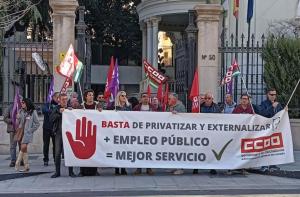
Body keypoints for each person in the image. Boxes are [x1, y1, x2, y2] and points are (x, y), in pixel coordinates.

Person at [50, 93, 75, 178]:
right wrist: (59, 113)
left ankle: (71, 172)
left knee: (69, 153)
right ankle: (57, 172)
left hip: (69, 134)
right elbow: (51, 119)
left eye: (66, 99)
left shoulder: (70, 109)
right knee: (57, 153)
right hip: (59, 134)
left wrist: (71, 112)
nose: (65, 101)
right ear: (59, 100)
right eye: (63, 99)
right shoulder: (56, 109)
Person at [258, 88, 283, 172]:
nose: (273, 96)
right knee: (264, 147)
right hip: (266, 129)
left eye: (274, 94)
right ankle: (264, 165)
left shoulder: (278, 104)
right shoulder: (264, 103)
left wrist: (284, 111)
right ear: (267, 95)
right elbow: (262, 113)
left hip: (275, 129)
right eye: (271, 94)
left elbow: (281, 114)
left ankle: (273, 164)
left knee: (274, 147)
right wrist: (271, 107)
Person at [78, 89, 101, 176]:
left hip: (95, 131)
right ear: (86, 97)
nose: (91, 96)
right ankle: (82, 170)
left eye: (92, 95)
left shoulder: (97, 105)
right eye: (89, 95)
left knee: (95, 151)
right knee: (83, 152)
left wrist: (100, 111)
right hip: (84, 131)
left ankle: (95, 170)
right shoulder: (81, 106)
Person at [230, 93, 254, 175]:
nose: (244, 100)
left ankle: (243, 168)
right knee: (236, 151)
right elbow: (232, 120)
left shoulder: (251, 109)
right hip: (238, 134)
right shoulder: (237, 109)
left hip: (247, 135)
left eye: (246, 99)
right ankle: (234, 167)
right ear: (240, 100)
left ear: (248, 100)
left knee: (244, 152)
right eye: (243, 98)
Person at [133, 93, 156, 175]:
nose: (146, 98)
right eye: (144, 97)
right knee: (139, 150)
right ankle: (138, 168)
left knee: (148, 150)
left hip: (149, 132)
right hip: (139, 132)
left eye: (147, 97)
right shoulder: (136, 108)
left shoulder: (153, 107)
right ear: (141, 99)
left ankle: (148, 168)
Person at [15, 98, 40, 172]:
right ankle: (27, 166)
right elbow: (18, 123)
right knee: (24, 149)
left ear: (27, 103)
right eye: (21, 102)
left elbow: (37, 123)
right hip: (21, 131)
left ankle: (17, 163)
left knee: (23, 147)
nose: (22, 104)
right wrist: (17, 118)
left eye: (23, 102)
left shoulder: (33, 112)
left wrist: (30, 130)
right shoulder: (21, 111)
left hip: (27, 133)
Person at [200, 92, 221, 175]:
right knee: (201, 150)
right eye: (206, 98)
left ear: (212, 99)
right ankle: (197, 167)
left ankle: (212, 167)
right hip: (202, 132)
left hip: (212, 133)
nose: (207, 100)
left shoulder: (217, 108)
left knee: (212, 150)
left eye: (209, 98)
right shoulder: (199, 107)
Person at [112, 90, 132, 175]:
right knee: (117, 150)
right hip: (117, 131)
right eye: (122, 96)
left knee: (124, 150)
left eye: (125, 96)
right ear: (118, 97)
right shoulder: (115, 106)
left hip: (125, 131)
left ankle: (123, 168)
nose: (124, 97)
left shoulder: (129, 106)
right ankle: (117, 169)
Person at [166, 93, 186, 175]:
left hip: (179, 133)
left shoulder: (181, 107)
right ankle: (174, 166)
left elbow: (184, 117)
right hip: (172, 132)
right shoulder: (169, 106)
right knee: (173, 150)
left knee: (179, 150)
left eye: (169, 99)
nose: (168, 100)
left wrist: (177, 114)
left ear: (174, 99)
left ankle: (180, 168)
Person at [42, 92, 59, 166]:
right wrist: (54, 111)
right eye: (57, 97)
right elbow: (44, 110)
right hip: (46, 128)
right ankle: (46, 159)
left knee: (55, 145)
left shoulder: (59, 105)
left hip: (55, 128)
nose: (58, 99)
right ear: (53, 97)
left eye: (59, 97)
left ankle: (56, 160)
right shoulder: (47, 104)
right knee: (46, 145)